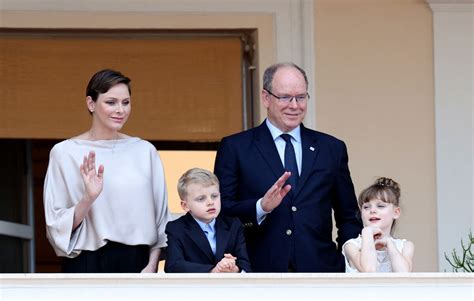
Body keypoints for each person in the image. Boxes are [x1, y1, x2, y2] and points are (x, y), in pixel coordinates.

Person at [214, 62, 362, 272]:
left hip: (321, 273)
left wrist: (351, 264)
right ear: (266, 98)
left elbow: (348, 217)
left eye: (301, 97)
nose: (294, 105)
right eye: (285, 97)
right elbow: (222, 214)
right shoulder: (235, 147)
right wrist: (260, 208)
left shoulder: (331, 149)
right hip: (258, 273)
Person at [43, 69, 171, 273]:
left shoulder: (144, 151)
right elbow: (56, 224)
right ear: (91, 103)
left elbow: (161, 216)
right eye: (111, 102)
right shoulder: (65, 153)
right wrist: (88, 197)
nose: (120, 110)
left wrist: (152, 265)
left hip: (137, 262)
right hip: (85, 261)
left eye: (126, 102)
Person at [164, 168, 251, 273]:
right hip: (194, 288)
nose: (210, 202)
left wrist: (233, 268)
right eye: (201, 199)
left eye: (214, 196)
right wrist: (212, 271)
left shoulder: (233, 224)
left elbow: (245, 264)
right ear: (185, 205)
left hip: (227, 288)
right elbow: (173, 265)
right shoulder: (176, 228)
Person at [342, 177, 415, 272]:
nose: (372, 210)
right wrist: (367, 233)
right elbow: (369, 271)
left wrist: (389, 243)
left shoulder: (405, 246)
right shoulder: (352, 246)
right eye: (366, 207)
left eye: (380, 206)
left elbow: (404, 274)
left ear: (396, 212)